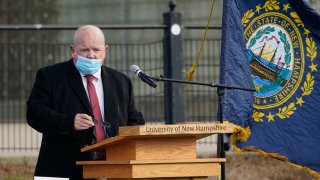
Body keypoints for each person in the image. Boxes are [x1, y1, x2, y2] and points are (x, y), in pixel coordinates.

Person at [27, 25, 145, 179]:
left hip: (113, 168)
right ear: (72, 50)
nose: (91, 55)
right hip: (63, 168)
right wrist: (68, 121)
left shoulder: (121, 81)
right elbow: (34, 113)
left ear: (105, 50)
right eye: (84, 50)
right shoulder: (50, 77)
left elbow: (134, 119)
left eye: (96, 50)